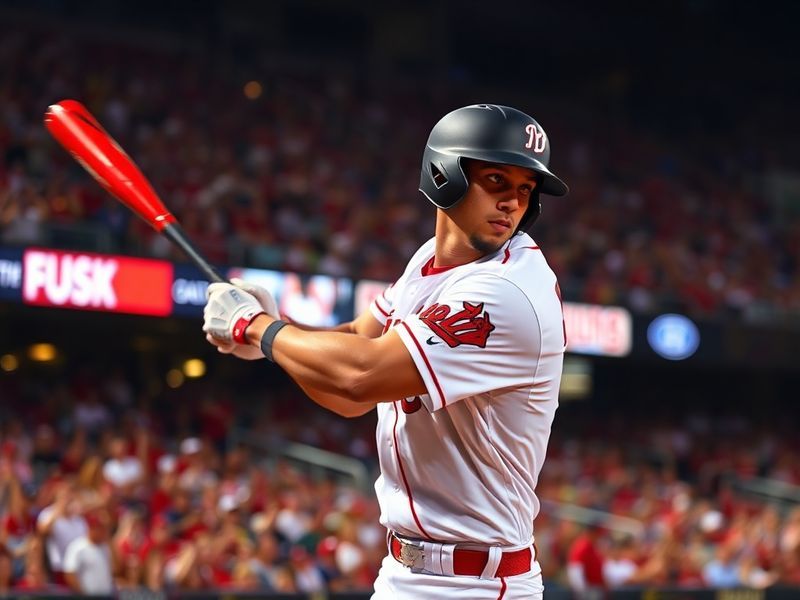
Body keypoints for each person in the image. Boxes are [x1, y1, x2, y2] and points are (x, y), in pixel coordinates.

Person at [203, 104, 568, 599]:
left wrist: (257, 328)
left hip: (478, 585)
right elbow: (358, 350)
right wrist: (278, 333)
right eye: (497, 180)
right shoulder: (429, 261)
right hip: (405, 572)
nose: (512, 203)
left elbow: (361, 375)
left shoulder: (507, 289)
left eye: (525, 190)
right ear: (445, 175)